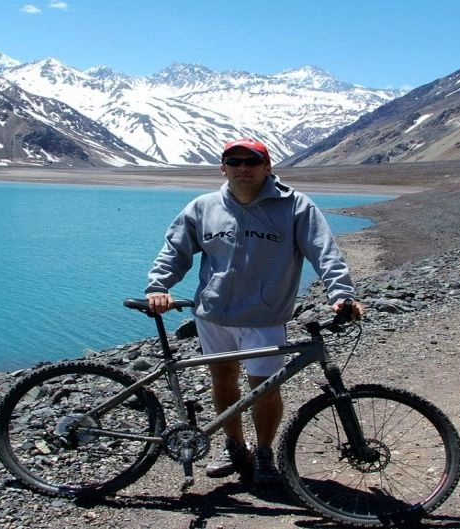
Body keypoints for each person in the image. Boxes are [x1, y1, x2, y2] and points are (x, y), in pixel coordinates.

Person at [145, 138, 364, 485]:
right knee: (223, 380)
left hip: (265, 317)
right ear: (223, 168)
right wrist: (159, 286)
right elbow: (175, 251)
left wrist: (341, 294)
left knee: (265, 388)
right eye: (234, 162)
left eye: (252, 161)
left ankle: (263, 451)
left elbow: (324, 252)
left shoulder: (295, 207)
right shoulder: (203, 207)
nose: (243, 168)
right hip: (213, 315)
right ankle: (234, 446)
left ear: (267, 167)